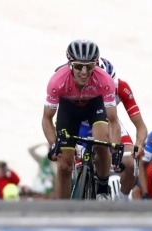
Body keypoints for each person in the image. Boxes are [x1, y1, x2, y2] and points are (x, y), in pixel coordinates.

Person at [42, 39, 121, 200]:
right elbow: (47, 118)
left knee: (101, 141)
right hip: (69, 110)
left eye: (90, 66)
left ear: (96, 64)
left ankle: (103, 189)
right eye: (79, 66)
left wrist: (116, 150)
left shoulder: (105, 80)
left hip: (94, 107)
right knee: (64, 166)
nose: (84, 72)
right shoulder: (57, 81)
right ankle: (64, 211)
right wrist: (53, 144)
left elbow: (113, 121)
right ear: (70, 64)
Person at [72, 57, 147, 200]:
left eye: (109, 89)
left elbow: (140, 126)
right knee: (70, 163)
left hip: (109, 122)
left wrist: (139, 144)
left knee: (130, 163)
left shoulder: (121, 87)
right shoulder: (77, 84)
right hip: (82, 124)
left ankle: (122, 199)